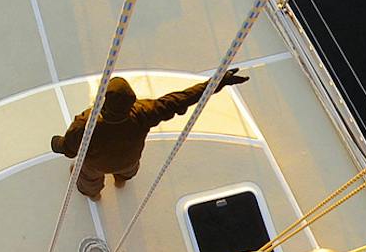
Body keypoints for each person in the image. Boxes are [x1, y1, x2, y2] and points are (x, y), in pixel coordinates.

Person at [48, 70, 249, 200]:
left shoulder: (86, 124)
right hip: (129, 160)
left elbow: (69, 148)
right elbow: (183, 99)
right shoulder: (145, 111)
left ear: (103, 102)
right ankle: (121, 180)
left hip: (97, 164)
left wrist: (57, 143)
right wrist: (219, 82)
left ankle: (94, 195)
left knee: (87, 177)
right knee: (126, 170)